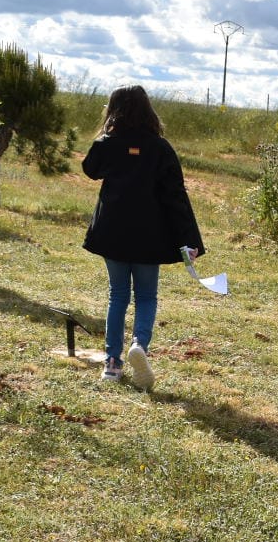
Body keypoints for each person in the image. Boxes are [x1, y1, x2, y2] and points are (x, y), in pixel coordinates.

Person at [81, 85, 204, 389]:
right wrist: (191, 240)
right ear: (149, 109)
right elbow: (176, 197)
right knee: (146, 296)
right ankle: (139, 346)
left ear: (113, 110)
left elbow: (90, 169)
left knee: (118, 295)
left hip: (114, 233)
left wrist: (106, 136)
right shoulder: (161, 148)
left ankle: (112, 362)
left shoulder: (107, 143)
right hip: (150, 236)